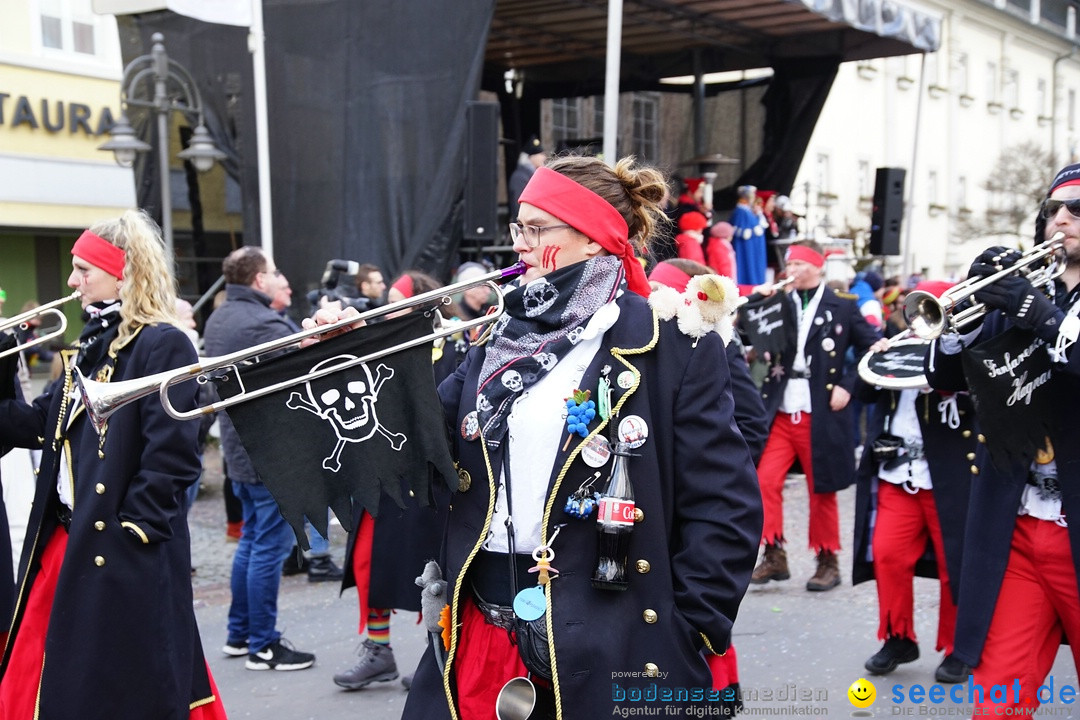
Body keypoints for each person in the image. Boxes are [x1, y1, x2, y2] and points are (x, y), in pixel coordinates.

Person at [393, 155, 762, 718]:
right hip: (481, 626)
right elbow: (417, 440)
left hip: (614, 633)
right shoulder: (497, 337)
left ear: (594, 241)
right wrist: (344, 364)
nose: (518, 244)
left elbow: (726, 506)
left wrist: (692, 630)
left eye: (536, 229)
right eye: (519, 227)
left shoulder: (672, 344)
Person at [0, 210, 226, 718]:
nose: (70, 280)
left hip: (118, 547)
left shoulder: (162, 342)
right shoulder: (90, 345)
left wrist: (133, 531)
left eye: (83, 269)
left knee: (124, 688)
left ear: (122, 272)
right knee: (63, 682)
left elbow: (173, 456)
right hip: (71, 541)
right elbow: (37, 423)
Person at [925, 163, 1080, 714]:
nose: (1060, 219)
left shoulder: (1033, 304)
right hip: (1017, 525)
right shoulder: (1024, 290)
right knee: (998, 702)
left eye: (1077, 209)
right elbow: (944, 379)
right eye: (1052, 210)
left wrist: (1038, 315)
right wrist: (970, 309)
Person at [334, 270, 464, 691]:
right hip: (381, 473)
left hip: (428, 478)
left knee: (434, 570)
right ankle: (378, 649)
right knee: (369, 562)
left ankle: (441, 650)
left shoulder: (455, 346)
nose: (387, 307)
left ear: (423, 303)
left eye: (397, 299)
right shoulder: (381, 345)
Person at [203, 246, 316, 671]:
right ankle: (263, 645)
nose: (278, 276)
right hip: (269, 451)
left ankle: (239, 634)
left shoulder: (221, 316)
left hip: (238, 448)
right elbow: (309, 371)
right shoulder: (262, 323)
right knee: (267, 547)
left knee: (251, 543)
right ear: (258, 280)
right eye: (273, 271)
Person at [852, 307, 975, 684]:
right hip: (898, 473)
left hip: (945, 479)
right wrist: (877, 354)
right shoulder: (899, 347)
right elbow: (863, 392)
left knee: (954, 564)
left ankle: (960, 647)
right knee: (887, 554)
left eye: (931, 313)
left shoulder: (963, 353)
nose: (921, 322)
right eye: (918, 313)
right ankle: (898, 637)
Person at [749, 241, 881, 591]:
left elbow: (873, 346)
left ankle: (828, 560)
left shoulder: (843, 306)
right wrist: (756, 298)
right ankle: (774, 554)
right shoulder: (777, 301)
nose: (791, 269)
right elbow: (745, 330)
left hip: (820, 406)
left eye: (798, 264)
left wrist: (849, 386)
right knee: (764, 481)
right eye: (788, 263)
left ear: (817, 267)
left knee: (821, 487)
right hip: (781, 403)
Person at [270, 270, 345, 583]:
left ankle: (299, 555)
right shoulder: (269, 325)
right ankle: (317, 558)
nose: (289, 287)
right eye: (282, 282)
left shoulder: (267, 320)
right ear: (261, 282)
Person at [730, 185, 767, 286]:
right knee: (748, 268)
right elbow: (742, 232)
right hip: (747, 249)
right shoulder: (741, 211)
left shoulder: (748, 210)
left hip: (753, 248)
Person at [508, 135, 547, 221]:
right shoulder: (520, 177)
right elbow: (519, 207)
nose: (544, 157)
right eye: (540, 154)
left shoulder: (531, 175)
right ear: (531, 157)